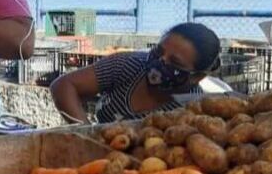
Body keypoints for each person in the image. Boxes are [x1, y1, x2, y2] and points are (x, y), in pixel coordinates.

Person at [50, 22, 222, 124]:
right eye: (159, 51)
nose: (161, 61)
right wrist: (85, 133)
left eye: (175, 62)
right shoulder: (129, 65)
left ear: (197, 77)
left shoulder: (193, 110)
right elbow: (64, 85)